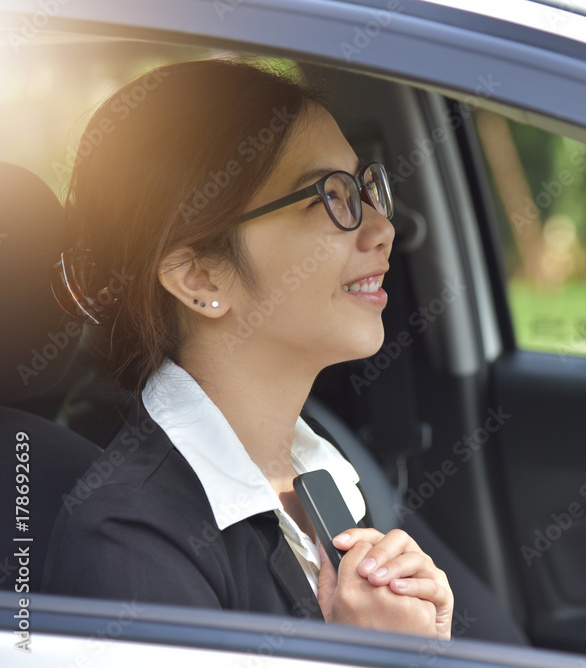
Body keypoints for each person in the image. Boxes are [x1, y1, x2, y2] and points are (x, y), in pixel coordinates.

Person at [41, 58, 454, 640]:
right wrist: (381, 655)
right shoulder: (129, 542)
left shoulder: (317, 471)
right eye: (329, 197)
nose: (381, 225)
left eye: (363, 187)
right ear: (201, 278)